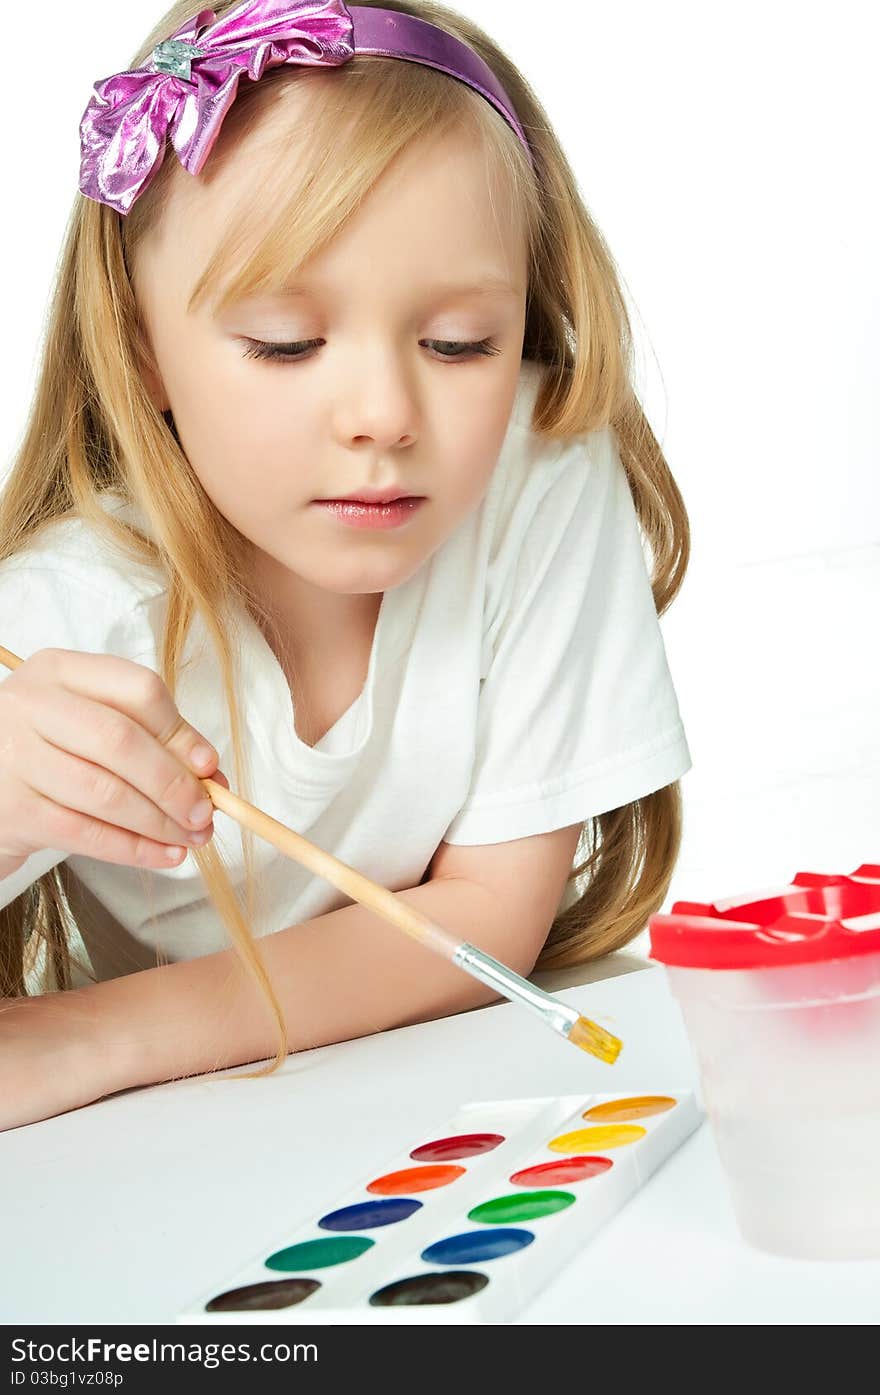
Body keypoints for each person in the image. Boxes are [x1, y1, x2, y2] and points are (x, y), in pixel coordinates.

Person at [0, 0, 691, 1131]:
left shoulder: (540, 470)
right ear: (140, 347)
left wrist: (105, 1031)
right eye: (285, 343)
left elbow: (492, 910)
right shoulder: (61, 614)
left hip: (445, 1102)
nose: (383, 416)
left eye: (460, 343)